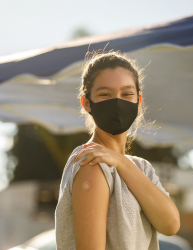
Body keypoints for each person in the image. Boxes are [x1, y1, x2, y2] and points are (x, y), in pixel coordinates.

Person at [55, 51, 180, 250]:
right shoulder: (91, 162)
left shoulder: (142, 168)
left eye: (127, 94)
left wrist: (121, 162)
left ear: (139, 102)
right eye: (105, 94)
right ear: (86, 102)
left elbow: (171, 224)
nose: (117, 102)